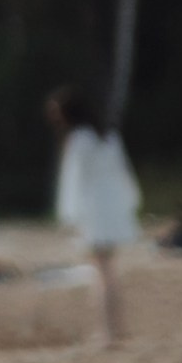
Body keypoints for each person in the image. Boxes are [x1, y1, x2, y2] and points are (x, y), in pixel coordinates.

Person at [46, 84, 142, 345]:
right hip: (112, 209)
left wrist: (68, 217)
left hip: (94, 212)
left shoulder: (78, 140)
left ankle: (107, 332)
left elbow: (73, 182)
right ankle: (118, 328)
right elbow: (123, 172)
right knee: (108, 270)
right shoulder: (108, 136)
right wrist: (131, 202)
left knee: (101, 272)